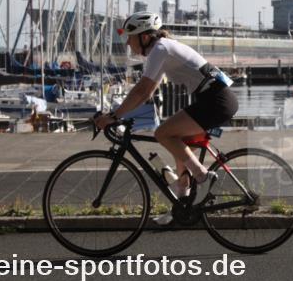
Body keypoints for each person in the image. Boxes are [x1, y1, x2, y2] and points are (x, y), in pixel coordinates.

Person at [93, 12, 238, 221]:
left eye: (130, 36)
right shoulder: (163, 49)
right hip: (214, 99)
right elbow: (148, 91)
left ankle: (202, 176)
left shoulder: (160, 48)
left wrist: (114, 115)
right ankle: (182, 204)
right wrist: (118, 113)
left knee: (163, 133)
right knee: (177, 141)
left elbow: (143, 91)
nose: (127, 42)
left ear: (144, 37)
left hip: (216, 101)